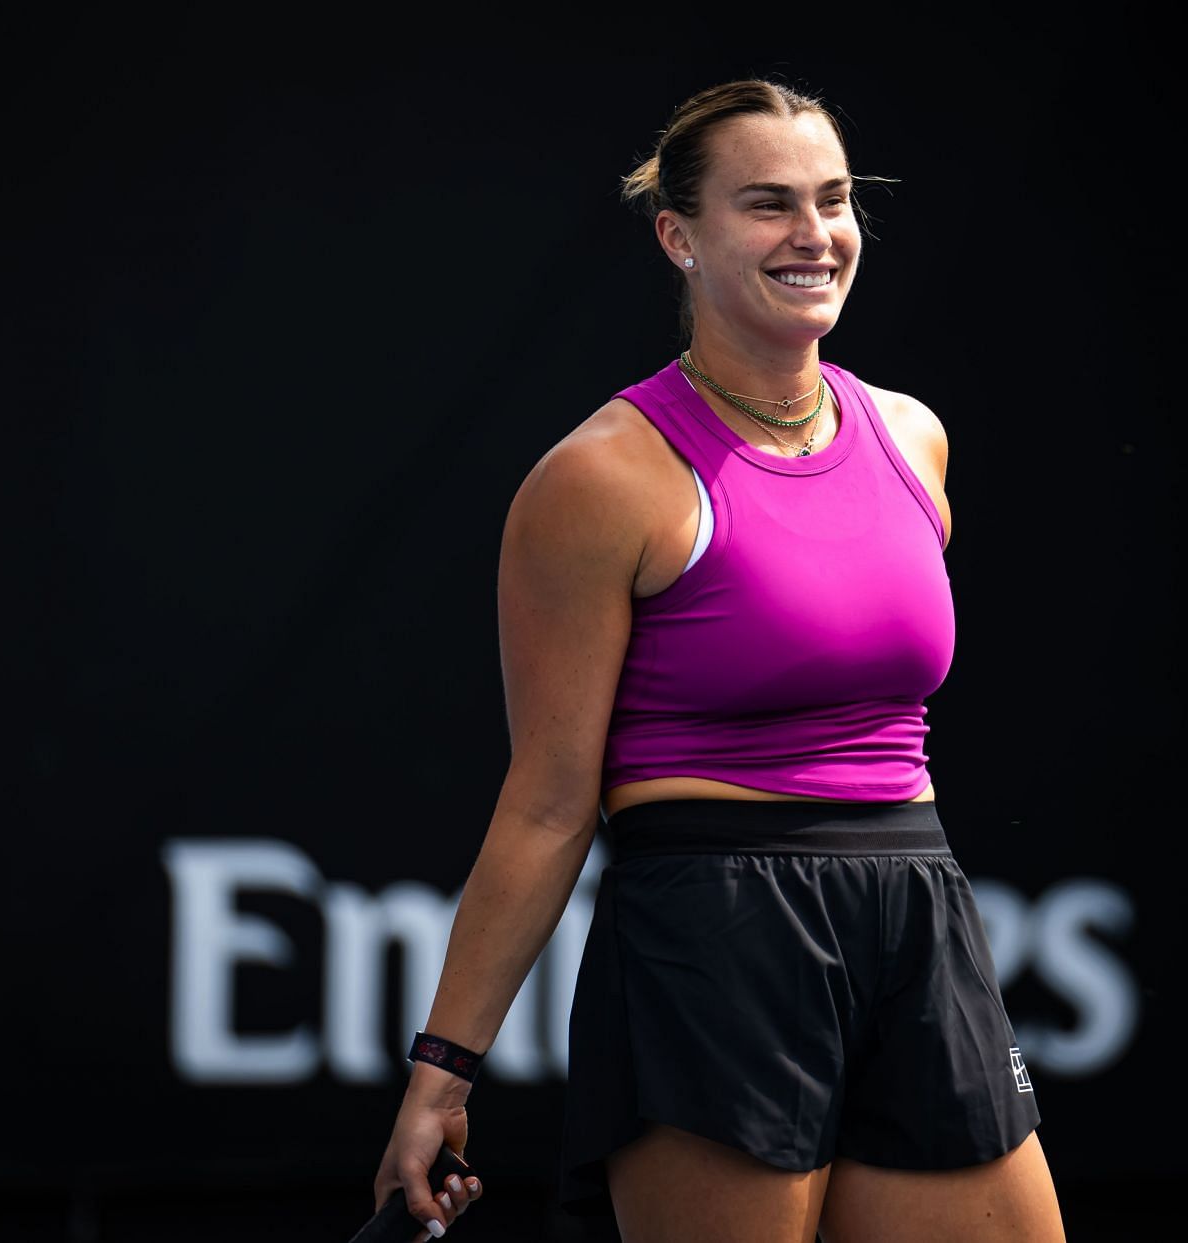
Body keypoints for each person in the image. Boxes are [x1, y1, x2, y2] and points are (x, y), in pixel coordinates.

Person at [372, 78, 1068, 1242]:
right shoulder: (601, 477)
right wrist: (443, 1071)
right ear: (678, 238)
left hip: (919, 911)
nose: (815, 235)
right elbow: (548, 803)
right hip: (717, 935)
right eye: (768, 205)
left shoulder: (911, 436)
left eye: (835, 200)